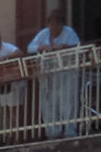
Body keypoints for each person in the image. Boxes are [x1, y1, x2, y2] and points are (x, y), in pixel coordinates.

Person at [27, 10, 81, 139]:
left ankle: (69, 131)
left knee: (67, 103)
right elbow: (30, 47)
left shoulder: (69, 32)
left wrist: (64, 46)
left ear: (62, 24)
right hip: (48, 74)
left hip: (66, 73)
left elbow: (77, 47)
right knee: (49, 104)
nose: (54, 28)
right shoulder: (44, 33)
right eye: (51, 25)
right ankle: (53, 132)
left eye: (57, 25)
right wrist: (42, 47)